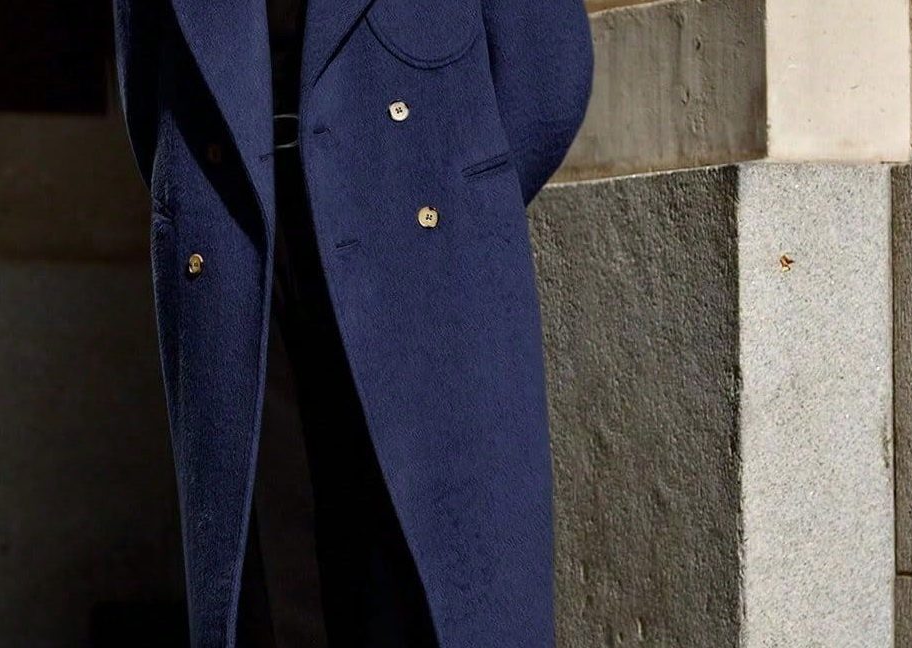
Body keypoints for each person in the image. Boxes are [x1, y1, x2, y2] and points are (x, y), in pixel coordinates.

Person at [111, 0, 594, 644]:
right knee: (276, 591)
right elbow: (149, 86)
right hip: (237, 248)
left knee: (422, 586)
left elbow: (547, 80)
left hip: (420, 242)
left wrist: (448, 199)